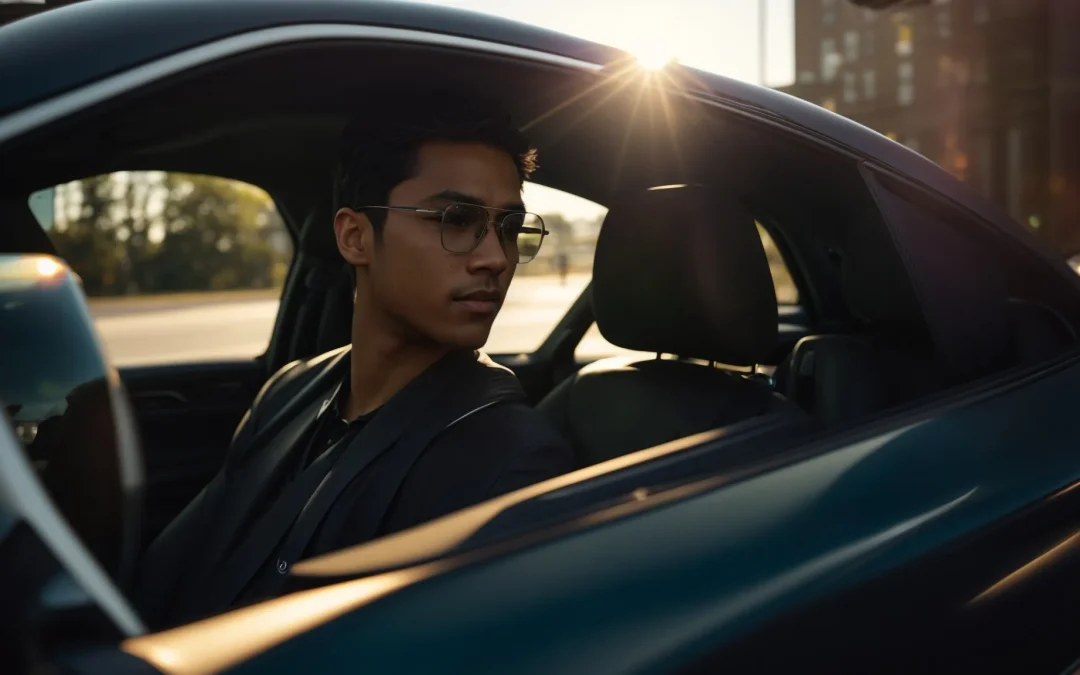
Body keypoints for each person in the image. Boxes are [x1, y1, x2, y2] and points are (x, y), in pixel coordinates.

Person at [134, 91, 575, 628]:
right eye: (456, 220)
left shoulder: (511, 461)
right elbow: (167, 575)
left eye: (508, 227)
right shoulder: (290, 392)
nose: (495, 259)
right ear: (355, 236)